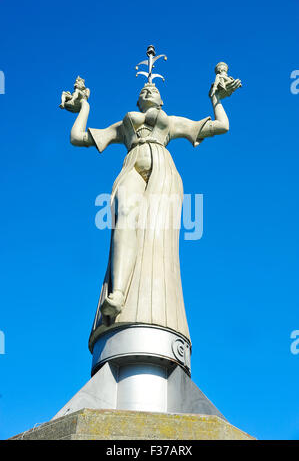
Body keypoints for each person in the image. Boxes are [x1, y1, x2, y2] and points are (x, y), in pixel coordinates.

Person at [67, 77, 241, 343]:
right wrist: (83, 107)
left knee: (156, 234)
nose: (149, 89)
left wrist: (216, 99)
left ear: (161, 101)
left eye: (155, 90)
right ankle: (118, 293)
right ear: (138, 100)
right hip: (131, 165)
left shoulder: (171, 122)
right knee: (124, 215)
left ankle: (149, 300)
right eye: (144, 90)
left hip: (163, 170)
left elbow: (222, 126)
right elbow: (78, 138)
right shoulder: (124, 127)